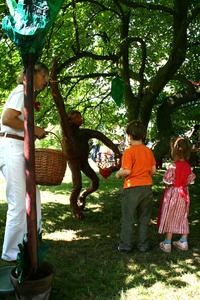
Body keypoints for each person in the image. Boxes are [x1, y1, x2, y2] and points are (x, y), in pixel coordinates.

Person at [0, 63, 49, 262]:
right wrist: (34, 128)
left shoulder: (27, 94)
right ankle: (11, 253)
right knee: (19, 202)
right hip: (12, 148)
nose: (46, 81)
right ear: (34, 74)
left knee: (33, 198)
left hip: (19, 147)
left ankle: (31, 242)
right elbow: (7, 119)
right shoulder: (21, 91)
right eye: (44, 76)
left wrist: (34, 131)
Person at [63, 110, 121, 220]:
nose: (80, 118)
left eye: (80, 116)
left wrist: (117, 151)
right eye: (77, 117)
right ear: (69, 121)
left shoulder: (84, 132)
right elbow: (62, 114)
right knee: (77, 185)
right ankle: (75, 209)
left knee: (95, 181)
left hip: (84, 161)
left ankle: (83, 196)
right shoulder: (67, 132)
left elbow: (101, 137)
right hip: (73, 161)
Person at [115, 120, 156, 252]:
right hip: (147, 188)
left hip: (132, 188)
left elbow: (127, 171)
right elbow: (153, 170)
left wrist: (118, 173)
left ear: (130, 136)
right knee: (144, 218)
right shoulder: (148, 151)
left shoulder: (129, 151)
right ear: (143, 136)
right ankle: (143, 245)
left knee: (128, 217)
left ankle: (126, 246)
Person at [158, 137, 196, 253]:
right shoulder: (188, 167)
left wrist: (168, 183)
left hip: (173, 194)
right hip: (184, 194)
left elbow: (167, 181)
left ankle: (167, 243)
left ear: (174, 151)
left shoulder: (172, 166)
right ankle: (183, 241)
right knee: (182, 215)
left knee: (171, 215)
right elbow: (191, 180)